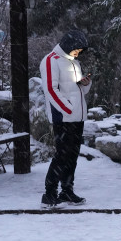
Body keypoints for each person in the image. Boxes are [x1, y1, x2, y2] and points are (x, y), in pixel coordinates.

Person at [39, 29, 92, 208]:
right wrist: (67, 109)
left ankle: (66, 191)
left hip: (77, 117)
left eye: (80, 51)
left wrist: (85, 84)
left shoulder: (74, 62)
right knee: (62, 155)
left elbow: (77, 90)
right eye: (76, 49)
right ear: (68, 45)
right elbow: (50, 89)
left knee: (72, 156)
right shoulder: (51, 60)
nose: (78, 53)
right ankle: (49, 194)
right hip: (63, 117)